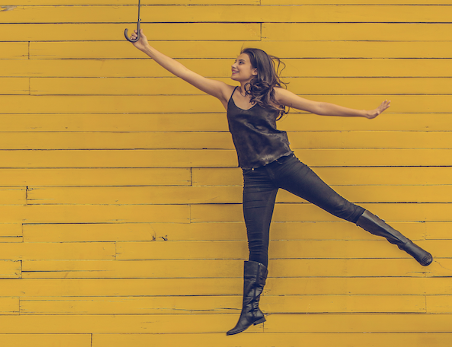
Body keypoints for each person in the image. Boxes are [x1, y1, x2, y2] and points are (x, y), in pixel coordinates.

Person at [126, 28, 433, 336]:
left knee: (341, 208)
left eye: (240, 62)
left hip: (286, 166)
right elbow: (184, 72)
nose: (234, 66)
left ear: (255, 69)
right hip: (254, 177)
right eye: (235, 62)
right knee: (257, 244)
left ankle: (407, 245)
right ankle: (251, 310)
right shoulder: (226, 93)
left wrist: (364, 113)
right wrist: (146, 48)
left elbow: (318, 106)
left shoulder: (273, 95)